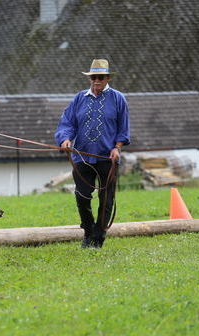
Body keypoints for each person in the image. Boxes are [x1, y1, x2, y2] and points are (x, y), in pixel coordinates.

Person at [54, 59, 130, 248]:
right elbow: (68, 123)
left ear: (107, 78)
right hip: (82, 157)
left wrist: (117, 147)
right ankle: (88, 232)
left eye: (100, 77)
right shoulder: (79, 98)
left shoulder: (118, 98)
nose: (96, 80)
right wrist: (65, 139)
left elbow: (123, 128)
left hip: (107, 158)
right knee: (82, 196)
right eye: (93, 77)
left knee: (106, 199)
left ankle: (99, 236)